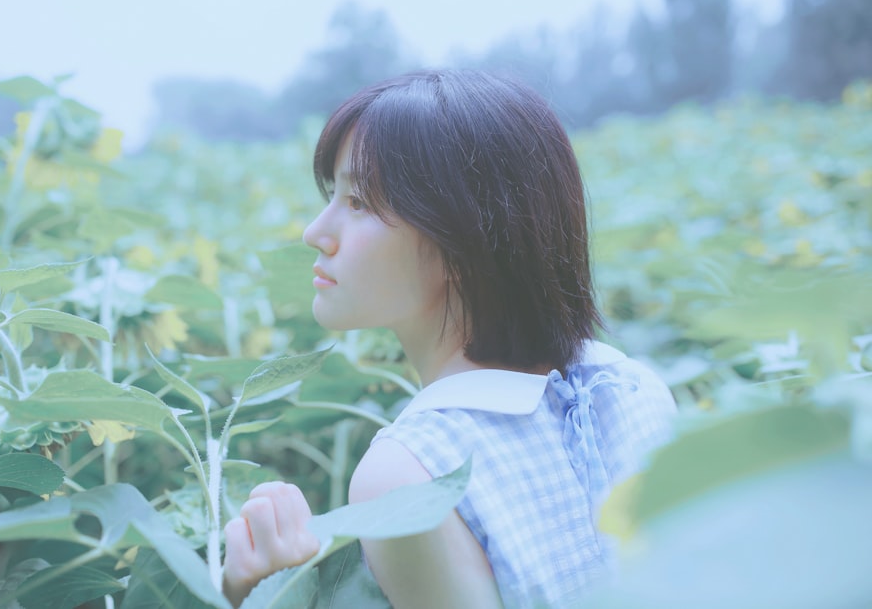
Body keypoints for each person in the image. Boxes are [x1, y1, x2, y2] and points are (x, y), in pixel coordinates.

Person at [221, 70, 677, 608]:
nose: (316, 232)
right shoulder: (635, 389)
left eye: (360, 201)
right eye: (333, 196)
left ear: (461, 242)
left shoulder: (410, 473)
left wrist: (269, 597)